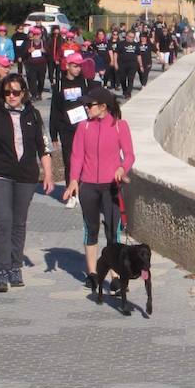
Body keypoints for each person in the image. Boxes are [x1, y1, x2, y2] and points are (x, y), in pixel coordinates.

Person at [0, 73, 54, 293]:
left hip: (26, 176)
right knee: (3, 220)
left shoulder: (33, 115)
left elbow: (43, 148)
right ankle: (2, 268)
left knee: (18, 222)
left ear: (24, 93)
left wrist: (48, 175)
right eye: (7, 92)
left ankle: (15, 266)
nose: (11, 96)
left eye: (16, 92)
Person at [62, 86, 134, 279]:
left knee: (112, 231)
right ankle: (93, 273)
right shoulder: (83, 127)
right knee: (91, 229)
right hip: (88, 186)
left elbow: (129, 155)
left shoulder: (120, 126)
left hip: (111, 186)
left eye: (90, 105)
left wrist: (122, 168)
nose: (86, 107)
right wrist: (73, 180)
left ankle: (116, 275)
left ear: (103, 106)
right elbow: (77, 156)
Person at [49, 51, 89, 192]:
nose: (78, 69)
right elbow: (54, 110)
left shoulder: (83, 81)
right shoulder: (59, 85)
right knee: (69, 161)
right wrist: (53, 134)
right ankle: (71, 191)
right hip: (66, 128)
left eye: (80, 66)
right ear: (67, 66)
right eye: (75, 66)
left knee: (85, 159)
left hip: (82, 126)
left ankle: (84, 189)